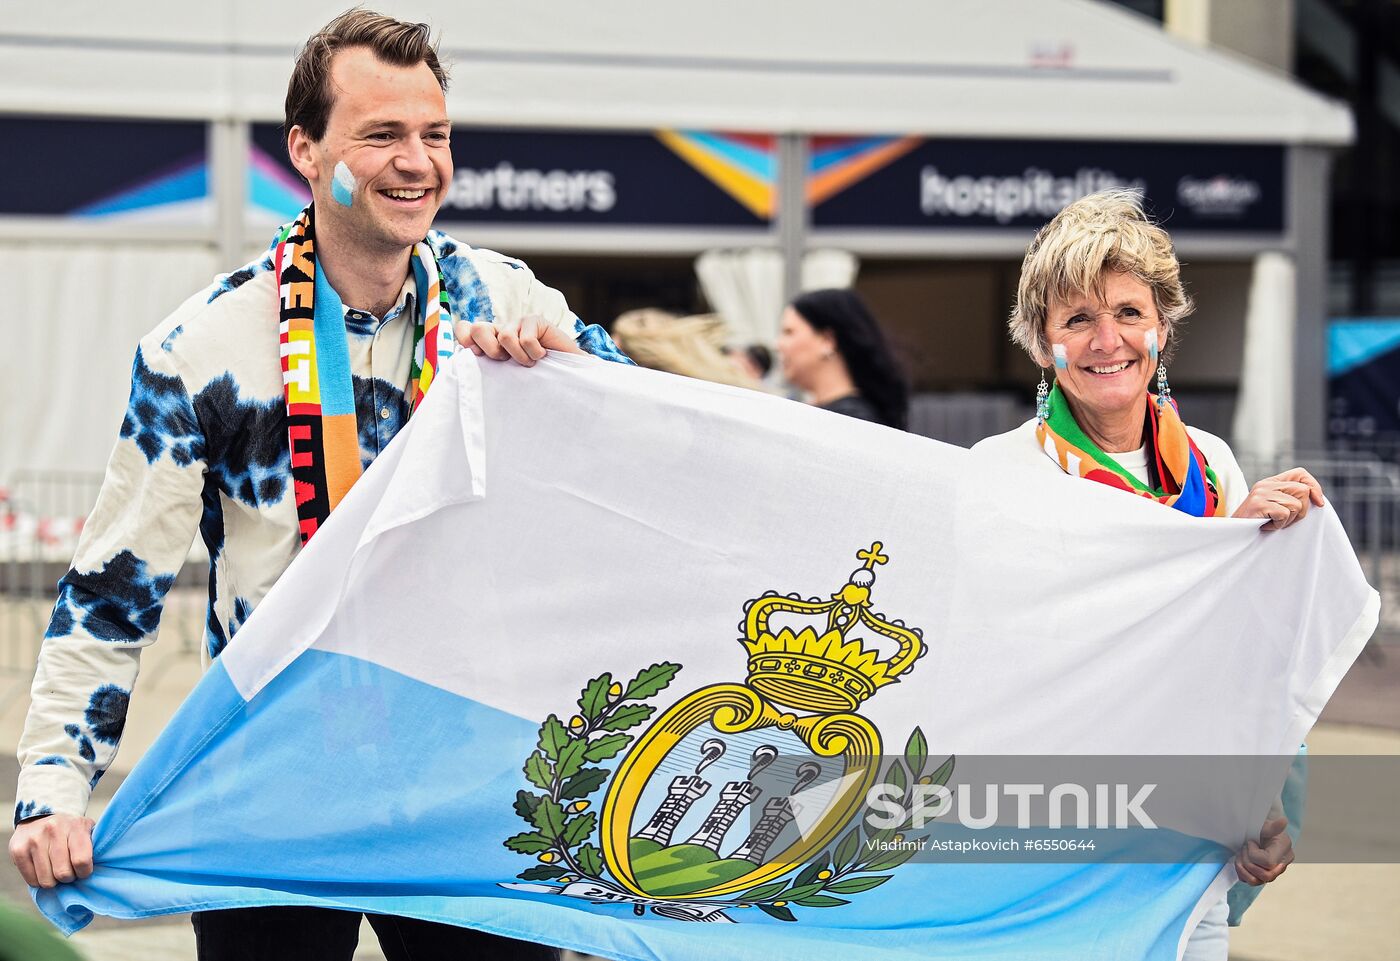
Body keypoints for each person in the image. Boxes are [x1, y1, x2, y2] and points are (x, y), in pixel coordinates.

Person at [7, 10, 629, 960]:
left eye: (435, 134)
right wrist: (53, 787)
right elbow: (112, 594)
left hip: (466, 778)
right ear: (305, 149)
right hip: (275, 781)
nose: (416, 162)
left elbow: (643, 452)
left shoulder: (506, 301)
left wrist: (568, 381)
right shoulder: (200, 349)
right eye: (381, 135)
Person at [972, 189, 1316, 960]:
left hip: (1189, 843)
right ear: (1041, 343)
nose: (1108, 340)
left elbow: (1241, 664)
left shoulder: (1209, 464)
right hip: (1059, 839)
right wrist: (1212, 553)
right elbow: (1001, 659)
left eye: (1129, 311)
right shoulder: (999, 472)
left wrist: (1258, 804)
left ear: (1162, 326)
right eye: (1077, 319)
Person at [777, 288, 908, 429]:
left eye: (789, 332)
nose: (778, 345)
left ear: (827, 341)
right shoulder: (823, 415)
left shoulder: (854, 422)